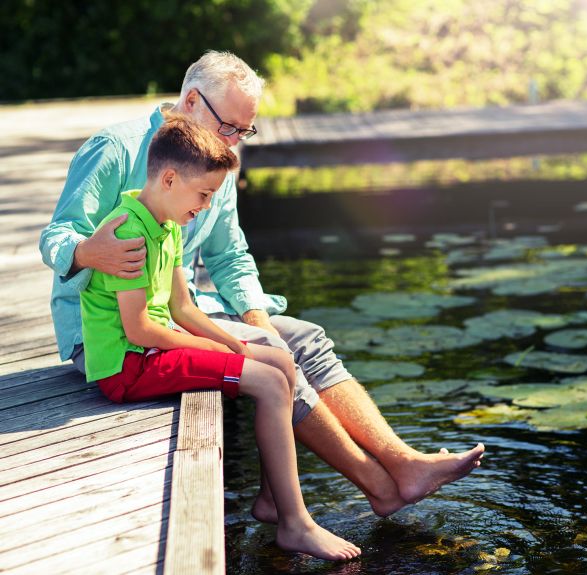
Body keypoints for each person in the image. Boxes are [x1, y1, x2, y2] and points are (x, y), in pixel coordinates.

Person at [39, 50, 484, 521]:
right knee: (274, 360)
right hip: (107, 333)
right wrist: (87, 252)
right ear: (191, 101)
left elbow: (229, 256)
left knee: (303, 337)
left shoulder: (215, 162)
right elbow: (57, 235)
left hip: (177, 311)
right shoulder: (117, 148)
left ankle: (402, 462)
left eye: (243, 131)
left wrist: (257, 320)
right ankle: (375, 484)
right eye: (228, 126)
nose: (233, 142)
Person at [81, 115, 361, 560]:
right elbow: (139, 329)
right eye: (204, 195)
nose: (207, 206)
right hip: (127, 366)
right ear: (169, 179)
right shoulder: (130, 232)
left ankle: (273, 500)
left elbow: (183, 308)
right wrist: (219, 350)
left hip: (154, 346)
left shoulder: (167, 223)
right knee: (267, 382)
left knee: (280, 359)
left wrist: (238, 344)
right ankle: (296, 524)